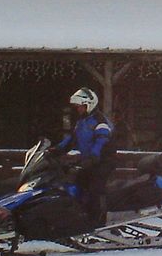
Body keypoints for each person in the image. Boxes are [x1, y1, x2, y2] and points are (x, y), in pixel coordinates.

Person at [49, 87, 116, 225]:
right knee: (77, 183)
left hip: (103, 162)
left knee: (94, 188)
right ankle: (81, 218)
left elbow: (101, 141)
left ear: (89, 105)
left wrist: (93, 157)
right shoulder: (82, 122)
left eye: (80, 106)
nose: (78, 109)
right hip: (90, 162)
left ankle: (99, 221)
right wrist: (56, 149)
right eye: (77, 107)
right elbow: (71, 139)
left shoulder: (100, 121)